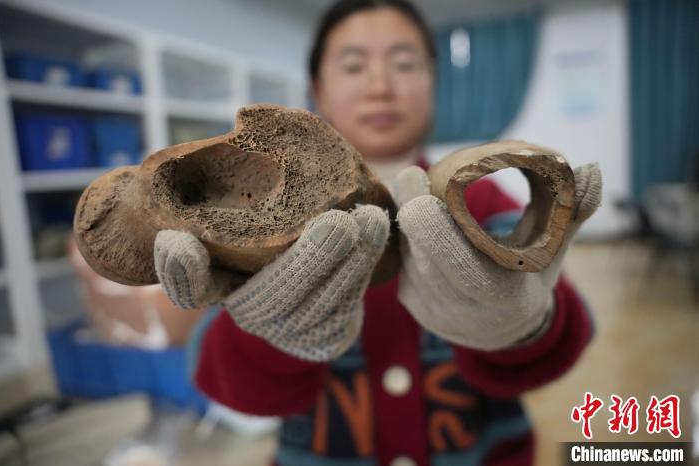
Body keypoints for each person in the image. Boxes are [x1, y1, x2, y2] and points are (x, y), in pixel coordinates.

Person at [153, 0, 602, 465]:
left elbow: (566, 333)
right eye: (353, 66)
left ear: (432, 81)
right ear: (319, 89)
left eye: (404, 64)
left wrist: (525, 325)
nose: (380, 86)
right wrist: (269, 334)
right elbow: (224, 380)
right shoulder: (263, 220)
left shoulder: (486, 201)